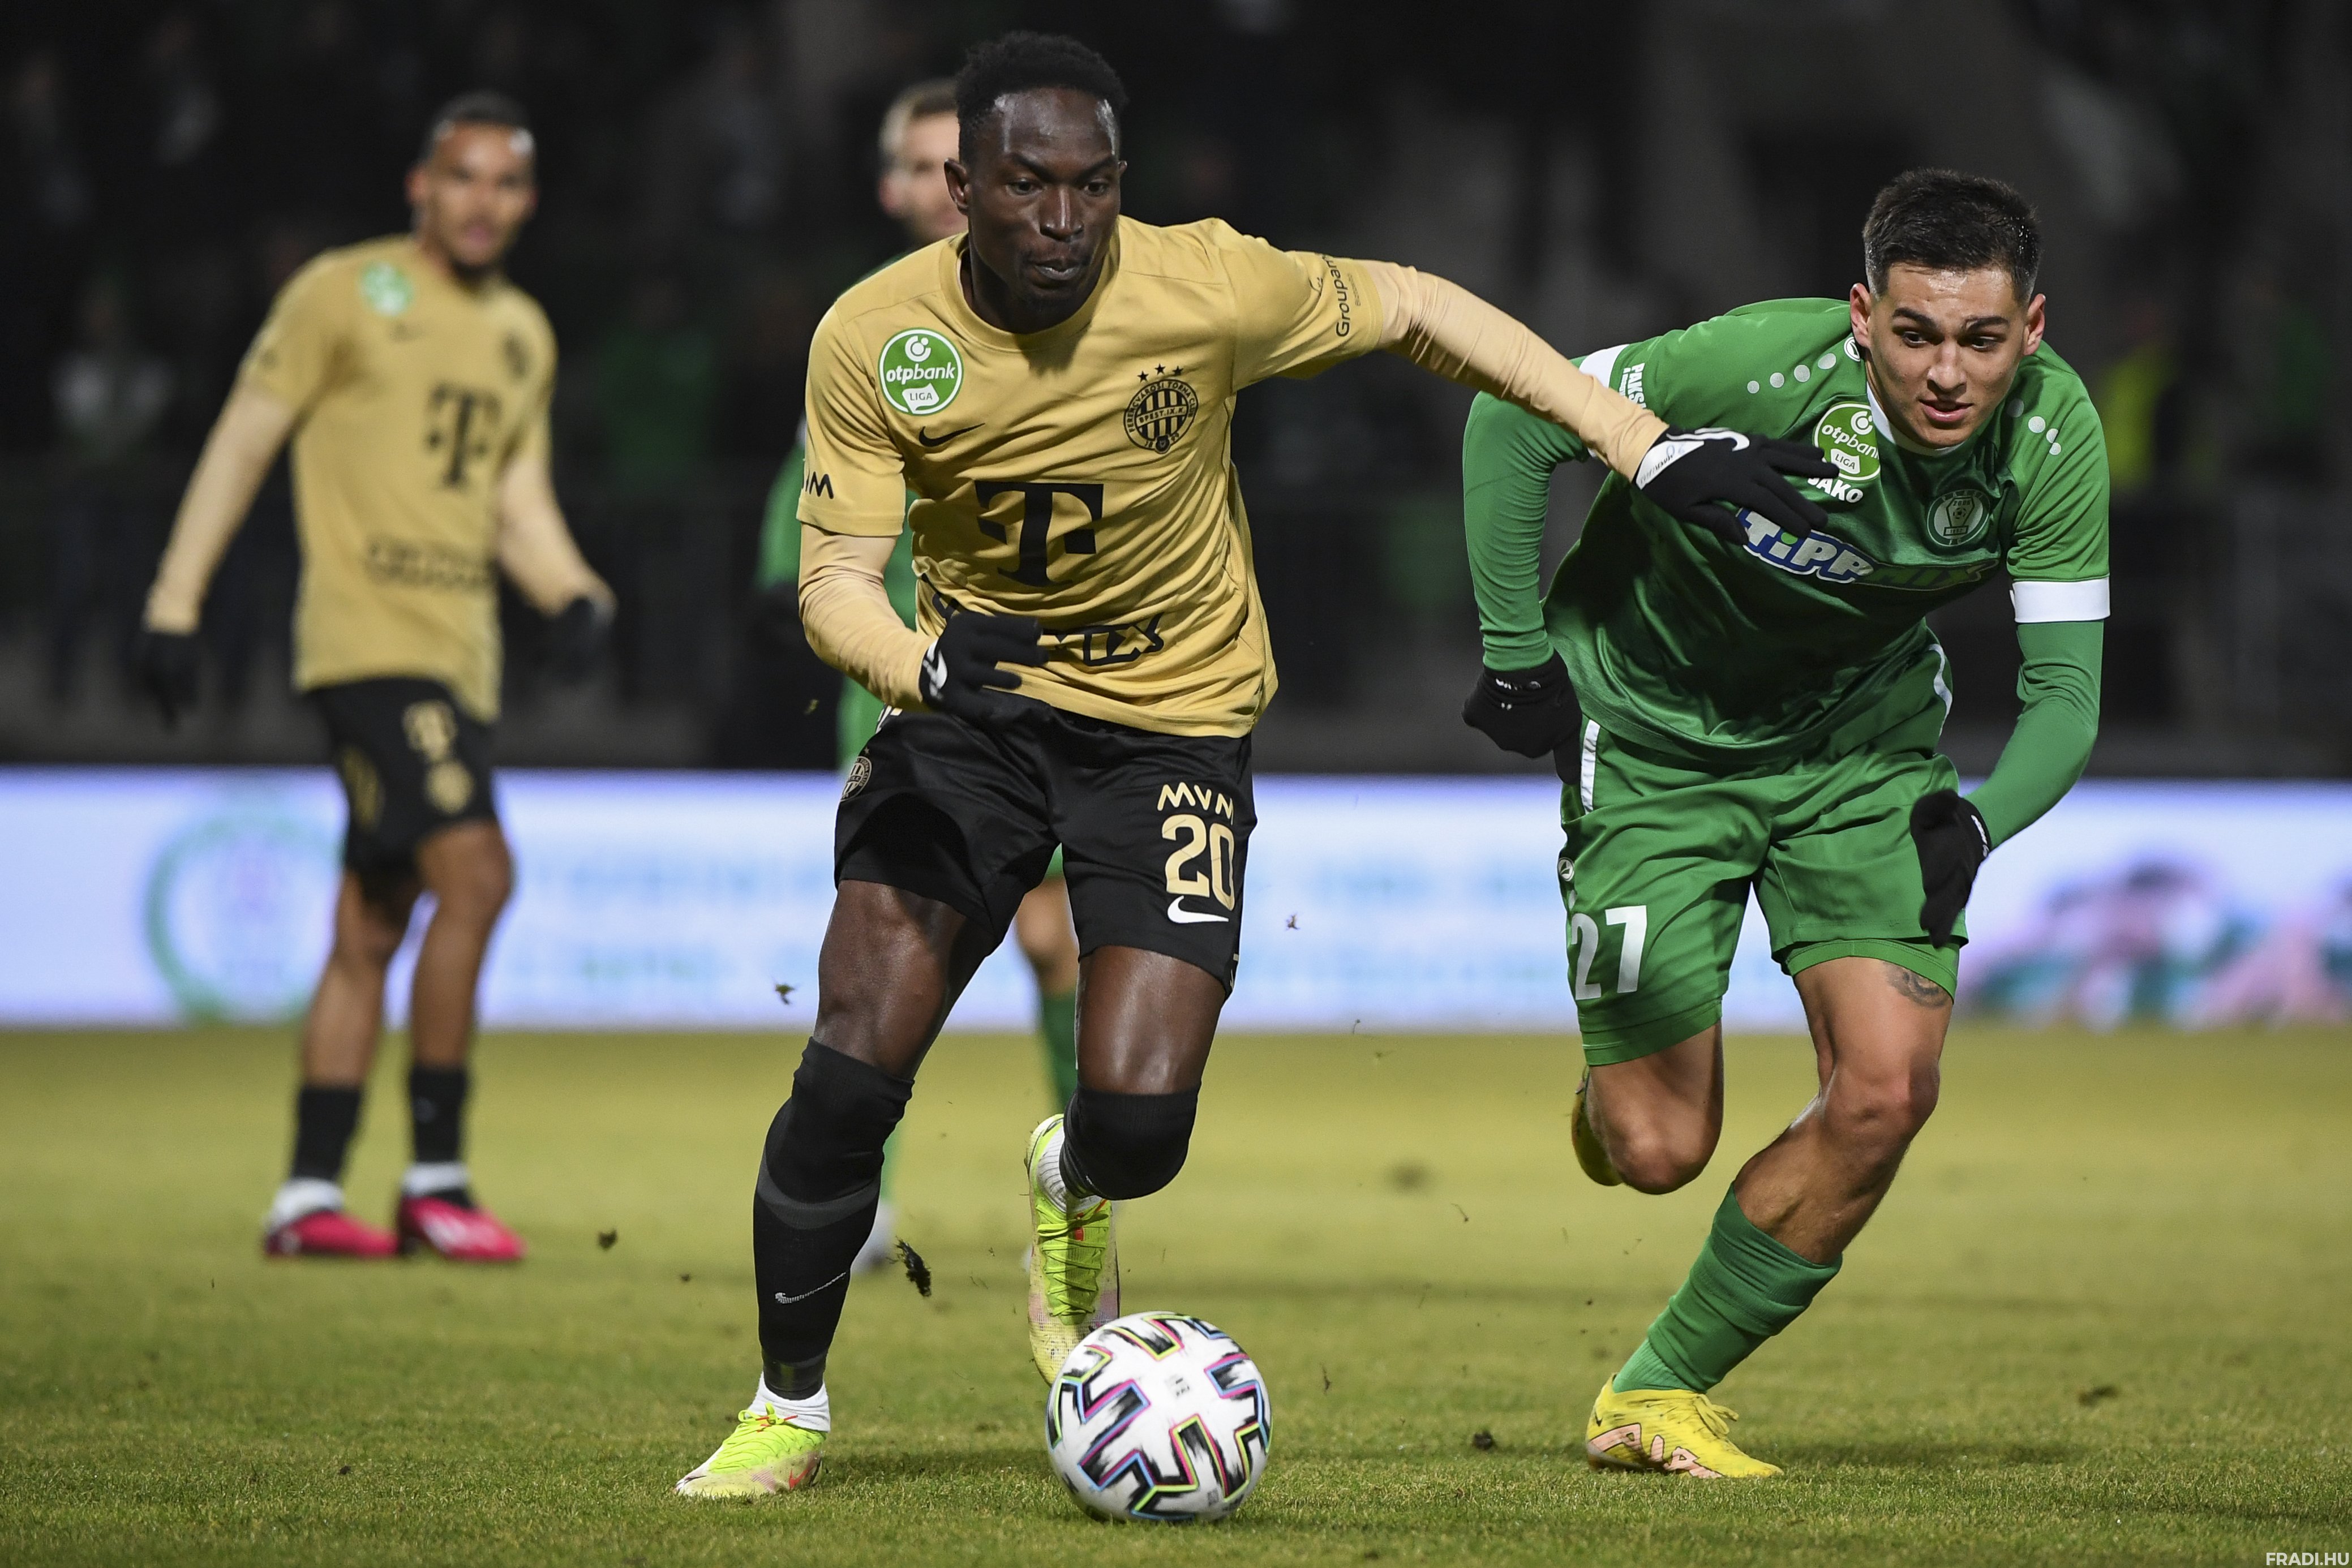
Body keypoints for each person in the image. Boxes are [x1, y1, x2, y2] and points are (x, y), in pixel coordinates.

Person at [673, 31, 1827, 1500]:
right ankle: (785, 1407)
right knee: (852, 1065)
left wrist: (1636, 443)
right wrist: (921, 668)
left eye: (1093, 185)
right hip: (969, 720)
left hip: (1170, 727)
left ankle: (1072, 1179)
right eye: (1026, 186)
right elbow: (835, 580)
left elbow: (1416, 307)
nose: (1062, 219)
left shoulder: (1204, 284)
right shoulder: (873, 336)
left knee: (1141, 1127)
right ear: (961, 186)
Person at [1456, 169, 2106, 1477]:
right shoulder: (1755, 367)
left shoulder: (2051, 435)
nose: (1946, 374)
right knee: (1657, 1152)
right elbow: (1508, 413)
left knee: (1887, 1089)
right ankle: (1612, 1099)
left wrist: (1978, 827)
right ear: (1860, 315)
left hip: (1855, 753)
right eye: (1913, 334)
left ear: (2030, 329)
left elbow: (2062, 698)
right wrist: (1517, 659)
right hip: (1651, 741)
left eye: (1980, 339)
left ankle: (1656, 1391)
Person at [135, 92, 613, 1262]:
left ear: (528, 202)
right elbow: (245, 437)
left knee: (372, 922)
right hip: (366, 645)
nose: (482, 202)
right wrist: (174, 601)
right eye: (463, 177)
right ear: (420, 186)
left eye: (506, 183)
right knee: (480, 875)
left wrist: (572, 592)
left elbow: (514, 499)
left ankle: (306, 1196)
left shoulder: (522, 333)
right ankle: (436, 1179)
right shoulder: (342, 293)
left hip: (460, 659)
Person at [752, 78, 1081, 1275]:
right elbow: (800, 558)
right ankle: (858, 1201)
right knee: (898, 952)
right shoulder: (867, 343)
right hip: (907, 693)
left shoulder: (1065, 324)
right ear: (896, 189)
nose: (947, 190)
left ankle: (1082, 1190)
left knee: (1056, 943)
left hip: (1051, 689)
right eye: (921, 166)